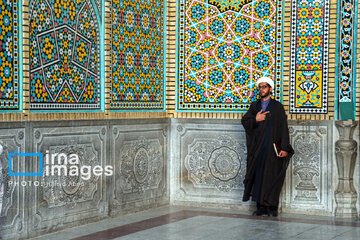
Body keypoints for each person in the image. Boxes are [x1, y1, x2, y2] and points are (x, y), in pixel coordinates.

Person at [241, 77, 294, 217]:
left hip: (272, 150)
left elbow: (283, 127)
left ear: (270, 89)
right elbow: (245, 121)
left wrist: (284, 147)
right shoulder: (255, 106)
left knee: (271, 177)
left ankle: (272, 207)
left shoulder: (277, 106)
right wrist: (255, 119)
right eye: (260, 87)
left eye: (264, 87)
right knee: (259, 177)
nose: (261, 89)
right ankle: (260, 207)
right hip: (258, 149)